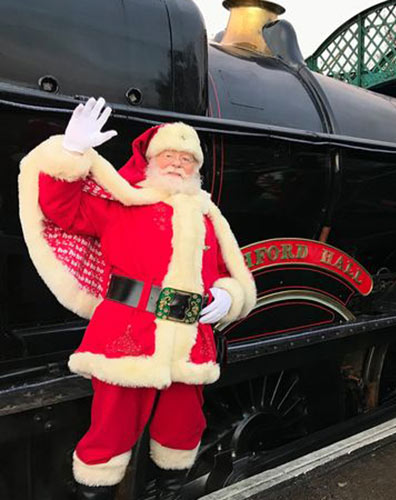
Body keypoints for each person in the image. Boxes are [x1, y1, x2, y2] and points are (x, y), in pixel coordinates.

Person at [17, 98, 256, 499]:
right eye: (169, 156)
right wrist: (70, 153)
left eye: (187, 159)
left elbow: (226, 272)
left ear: (197, 168)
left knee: (182, 432)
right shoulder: (122, 203)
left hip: (189, 343)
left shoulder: (207, 217)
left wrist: (227, 296)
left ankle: (170, 491)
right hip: (126, 334)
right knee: (109, 433)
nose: (178, 164)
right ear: (150, 160)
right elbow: (60, 210)